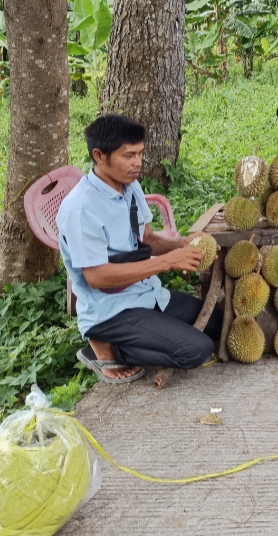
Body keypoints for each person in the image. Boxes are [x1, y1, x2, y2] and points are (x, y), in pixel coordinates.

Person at [57, 114, 219, 383]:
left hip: (146, 293)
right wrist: (167, 262)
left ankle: (154, 333)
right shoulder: (82, 209)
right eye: (128, 155)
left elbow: (146, 239)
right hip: (111, 310)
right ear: (99, 155)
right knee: (197, 349)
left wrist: (180, 245)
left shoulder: (130, 187)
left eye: (140, 154)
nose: (138, 163)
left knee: (216, 321)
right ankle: (107, 349)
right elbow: (97, 277)